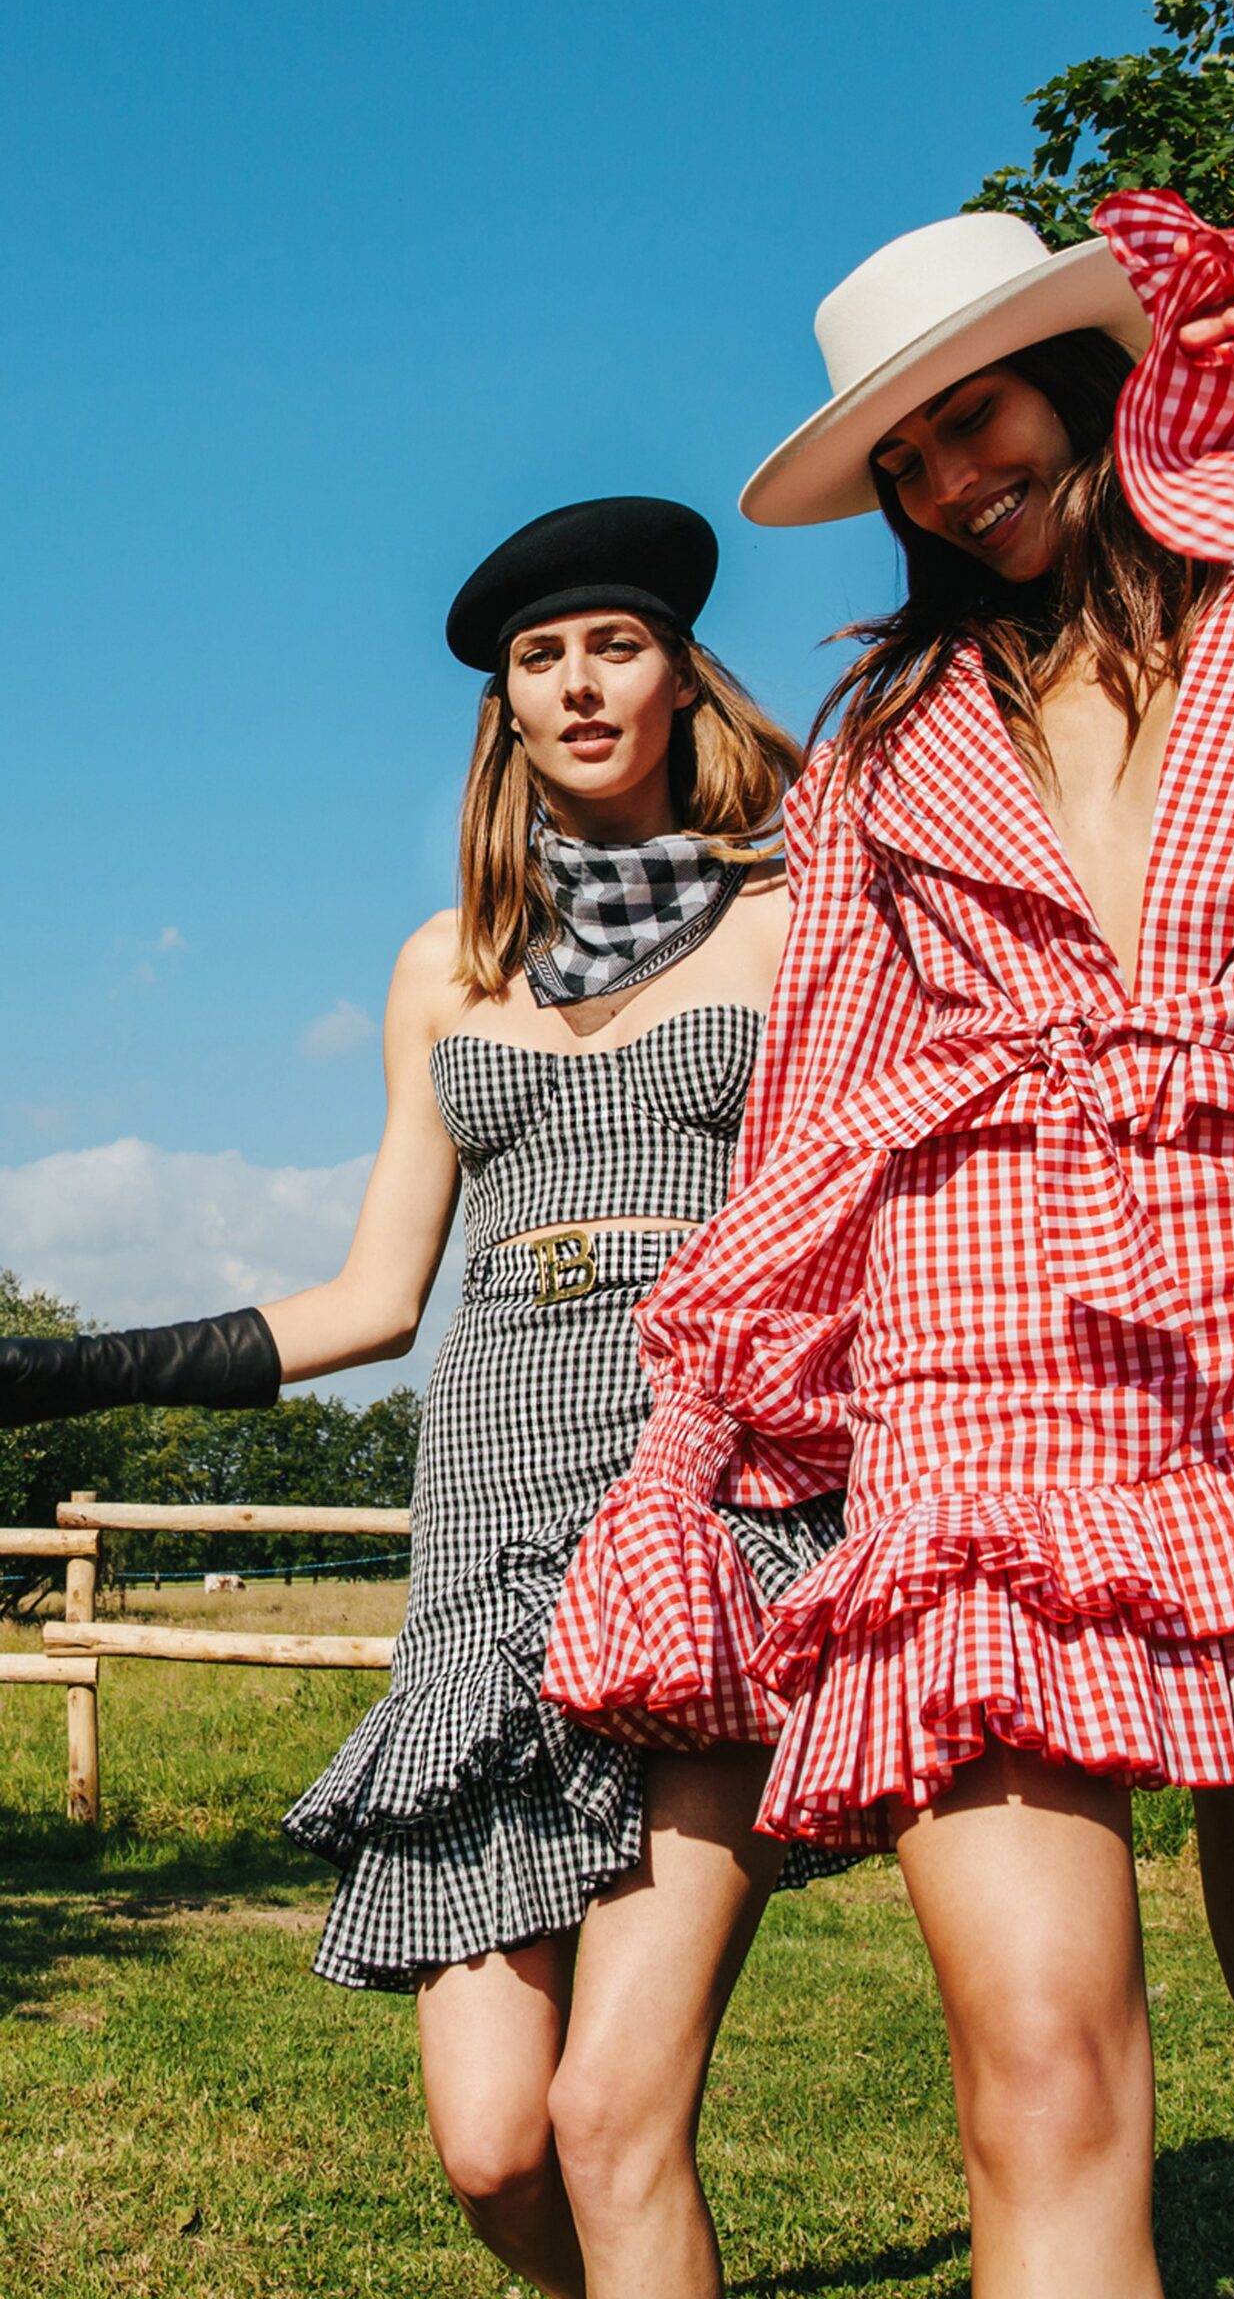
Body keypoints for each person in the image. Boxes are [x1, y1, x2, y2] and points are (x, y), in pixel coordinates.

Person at [540, 100, 1234, 2297]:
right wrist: (701, 1436)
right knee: (1039, 2054)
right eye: (908, 464)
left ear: (1077, 380)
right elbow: (817, 1099)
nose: (958, 482)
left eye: (976, 423)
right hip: (975, 1373)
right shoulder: (879, 752)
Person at [0, 495, 842, 2299]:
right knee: (491, 2152)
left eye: (615, 644)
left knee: (618, 2118)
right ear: (508, 715)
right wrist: (41, 1380)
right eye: (542, 661)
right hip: (485, 1547)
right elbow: (373, 1304)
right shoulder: (447, 963)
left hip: (703, 1520)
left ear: (684, 675)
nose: (581, 683)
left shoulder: (803, 915)